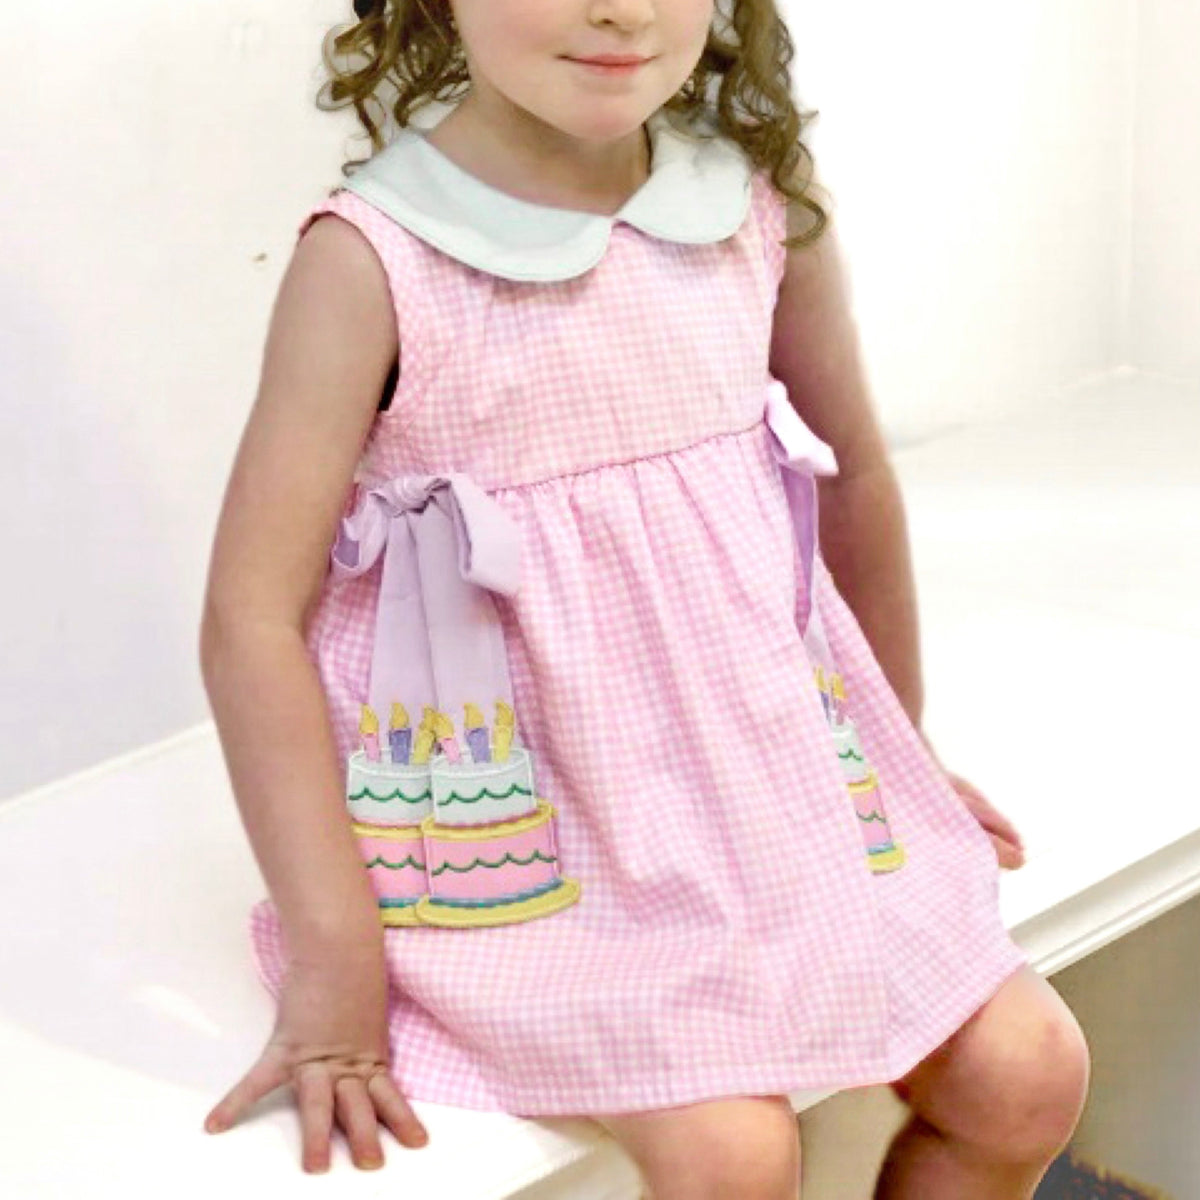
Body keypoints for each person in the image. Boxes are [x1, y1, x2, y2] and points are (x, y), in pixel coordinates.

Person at [198, 0, 1090, 1194]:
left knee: (1029, 1077)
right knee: (737, 1159)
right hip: (538, 824)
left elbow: (855, 481)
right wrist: (334, 958)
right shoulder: (374, 259)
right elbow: (250, 619)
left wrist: (900, 752)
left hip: (762, 767)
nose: (621, 8)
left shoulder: (754, 208)